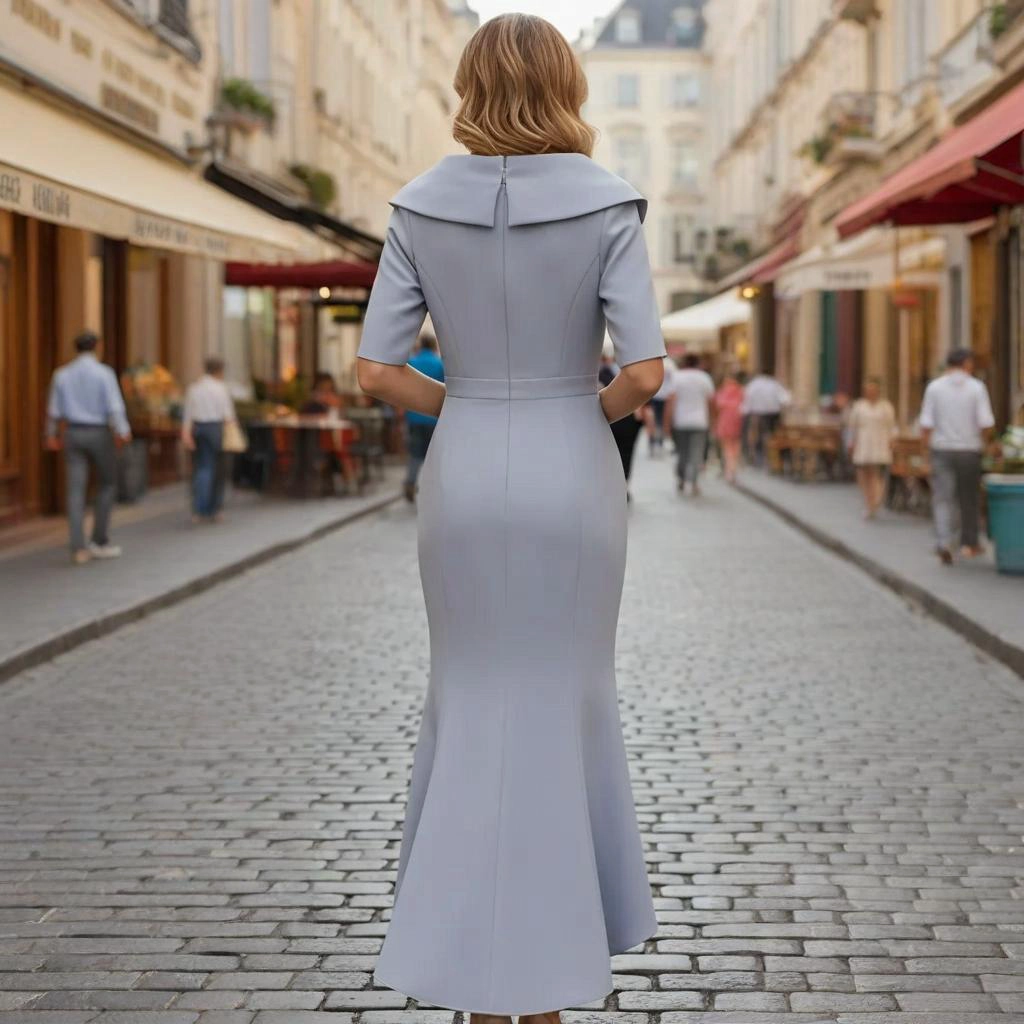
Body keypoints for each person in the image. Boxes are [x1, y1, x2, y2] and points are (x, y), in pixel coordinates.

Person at [354, 14, 663, 1022]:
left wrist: (476, 405)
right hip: (573, 474)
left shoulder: (417, 205)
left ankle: (473, 978)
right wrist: (573, 408)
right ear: (567, 84)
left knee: (473, 700)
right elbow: (646, 371)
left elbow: (376, 368)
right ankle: (549, 980)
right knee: (563, 699)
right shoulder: (608, 203)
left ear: (467, 85)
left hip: (467, 472)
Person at [44, 330, 131, 565]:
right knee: (107, 483)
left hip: (72, 432)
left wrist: (51, 434)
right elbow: (114, 406)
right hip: (99, 432)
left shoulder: (62, 374)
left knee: (75, 490)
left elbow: (53, 409)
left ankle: (78, 547)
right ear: (97, 347)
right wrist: (122, 431)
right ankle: (99, 540)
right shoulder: (104, 373)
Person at [920, 348, 996, 564]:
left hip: (942, 449)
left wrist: (925, 453)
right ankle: (969, 543)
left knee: (943, 497)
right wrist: (986, 443)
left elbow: (926, 424)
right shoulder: (976, 387)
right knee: (969, 498)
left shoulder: (934, 387)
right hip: (969, 449)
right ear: (966, 363)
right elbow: (985, 423)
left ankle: (944, 541)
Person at [181, 357, 238, 523]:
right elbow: (228, 416)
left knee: (202, 468)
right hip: (216, 428)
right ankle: (214, 508)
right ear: (219, 371)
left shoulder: (194, 388)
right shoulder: (221, 388)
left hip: (198, 429)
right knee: (218, 471)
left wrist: (186, 434)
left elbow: (188, 414)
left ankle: (198, 510)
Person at [663, 353, 715, 495]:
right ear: (698, 363)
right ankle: (693, 483)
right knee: (696, 453)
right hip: (700, 422)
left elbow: (670, 402)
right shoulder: (705, 378)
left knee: (682, 453)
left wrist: (667, 424)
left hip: (680, 422)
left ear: (684, 363)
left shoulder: (677, 377)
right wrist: (712, 422)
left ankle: (681, 479)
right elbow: (711, 402)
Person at [403, 335, 445, 502]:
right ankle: (434, 489)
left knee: (415, 453)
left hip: (414, 416)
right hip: (435, 417)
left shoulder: (411, 363)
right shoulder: (439, 363)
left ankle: (410, 483)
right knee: (435, 456)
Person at [847, 378, 896, 519]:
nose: (871, 392)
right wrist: (851, 442)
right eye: (868, 390)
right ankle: (867, 499)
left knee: (875, 472)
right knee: (863, 472)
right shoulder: (859, 406)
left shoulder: (886, 406)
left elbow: (892, 425)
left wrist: (891, 440)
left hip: (879, 441)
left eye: (873, 389)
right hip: (863, 442)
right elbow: (852, 426)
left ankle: (874, 501)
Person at [599, 353, 645, 499]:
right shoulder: (634, 371)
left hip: (609, 418)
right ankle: (621, 485)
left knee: (613, 454)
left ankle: (618, 486)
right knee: (625, 453)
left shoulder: (600, 372)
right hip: (626, 417)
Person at [742, 370, 790, 466]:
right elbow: (785, 399)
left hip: (757, 414)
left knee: (759, 435)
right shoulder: (774, 384)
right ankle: (771, 457)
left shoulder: (753, 385)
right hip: (773, 414)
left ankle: (759, 456)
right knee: (772, 435)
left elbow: (746, 400)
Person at [714, 371, 745, 484]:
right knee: (735, 447)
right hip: (737, 420)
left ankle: (729, 471)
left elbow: (718, 404)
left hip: (725, 421)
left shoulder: (723, 391)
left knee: (727, 447)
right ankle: (733, 470)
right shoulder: (740, 390)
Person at [643, 355, 673, 455]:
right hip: (663, 397)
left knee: (652, 421)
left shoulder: (650, 362)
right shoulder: (670, 364)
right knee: (659, 422)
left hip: (653, 396)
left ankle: (653, 443)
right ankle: (658, 443)